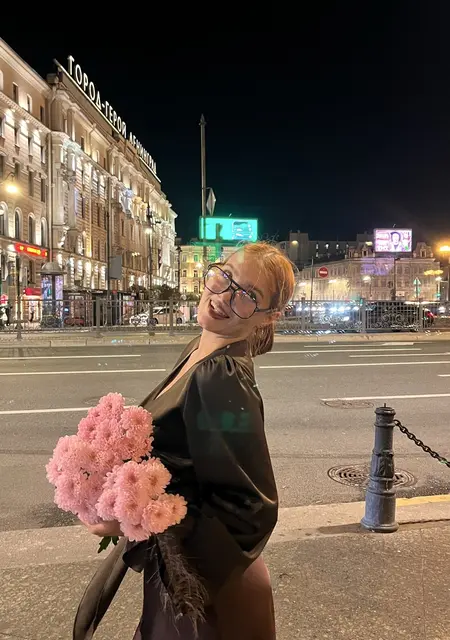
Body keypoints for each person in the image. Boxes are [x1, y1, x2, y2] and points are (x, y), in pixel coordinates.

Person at [74, 242, 295, 640]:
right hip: (186, 578)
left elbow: (249, 511)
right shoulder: (200, 347)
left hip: (210, 594)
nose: (224, 296)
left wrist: (138, 516)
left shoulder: (221, 375)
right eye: (225, 277)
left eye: (248, 295)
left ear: (269, 316)